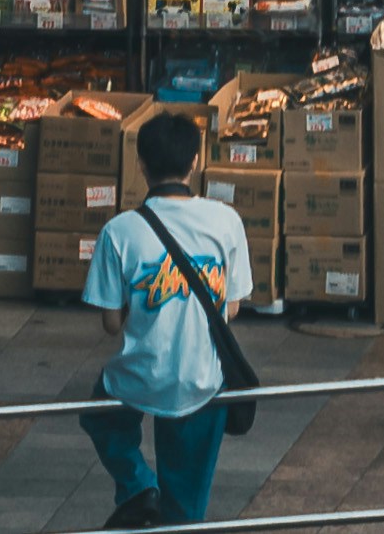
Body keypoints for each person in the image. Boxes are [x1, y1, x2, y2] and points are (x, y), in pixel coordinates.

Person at [79, 105, 253, 525]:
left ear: (141, 165)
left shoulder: (119, 231)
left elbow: (111, 324)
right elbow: (232, 305)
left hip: (141, 375)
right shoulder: (226, 221)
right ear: (196, 161)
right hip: (202, 380)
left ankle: (139, 486)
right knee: (187, 501)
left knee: (100, 416)